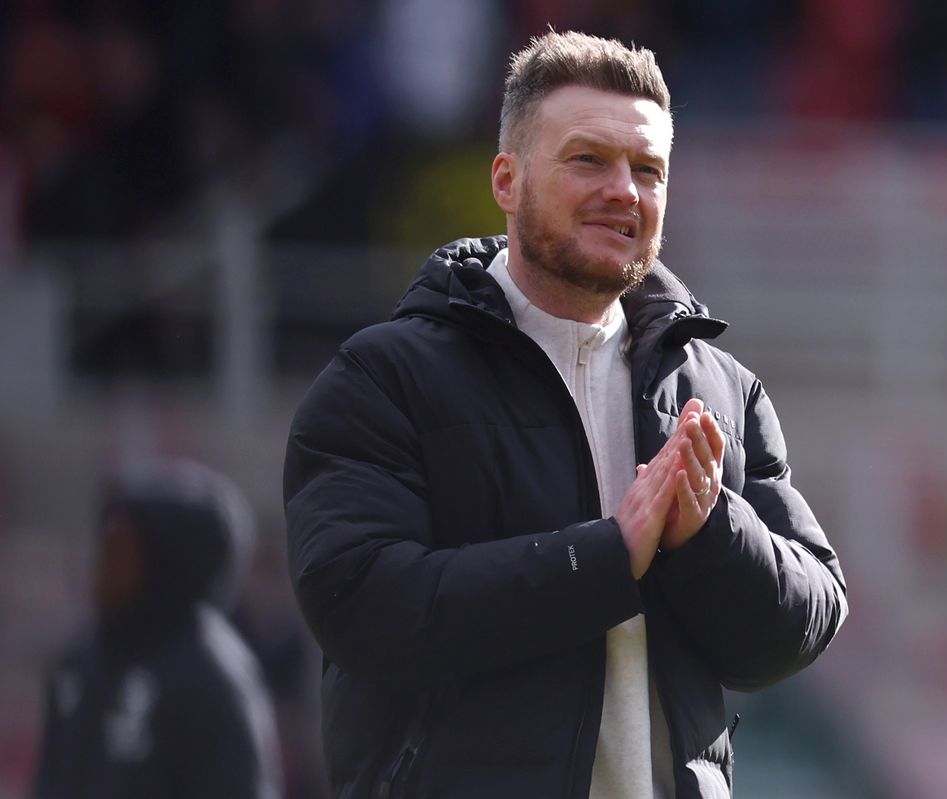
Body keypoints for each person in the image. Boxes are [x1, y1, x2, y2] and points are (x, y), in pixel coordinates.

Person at [283, 30, 848, 799]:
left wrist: (711, 530)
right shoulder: (383, 377)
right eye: (589, 159)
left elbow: (805, 619)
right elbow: (361, 605)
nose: (625, 190)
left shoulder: (722, 389)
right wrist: (606, 557)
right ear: (506, 181)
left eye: (648, 170)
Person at [32, 459, 283, 799]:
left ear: (168, 561)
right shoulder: (78, 661)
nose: (102, 564)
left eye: (121, 551)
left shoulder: (213, 678)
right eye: (105, 547)